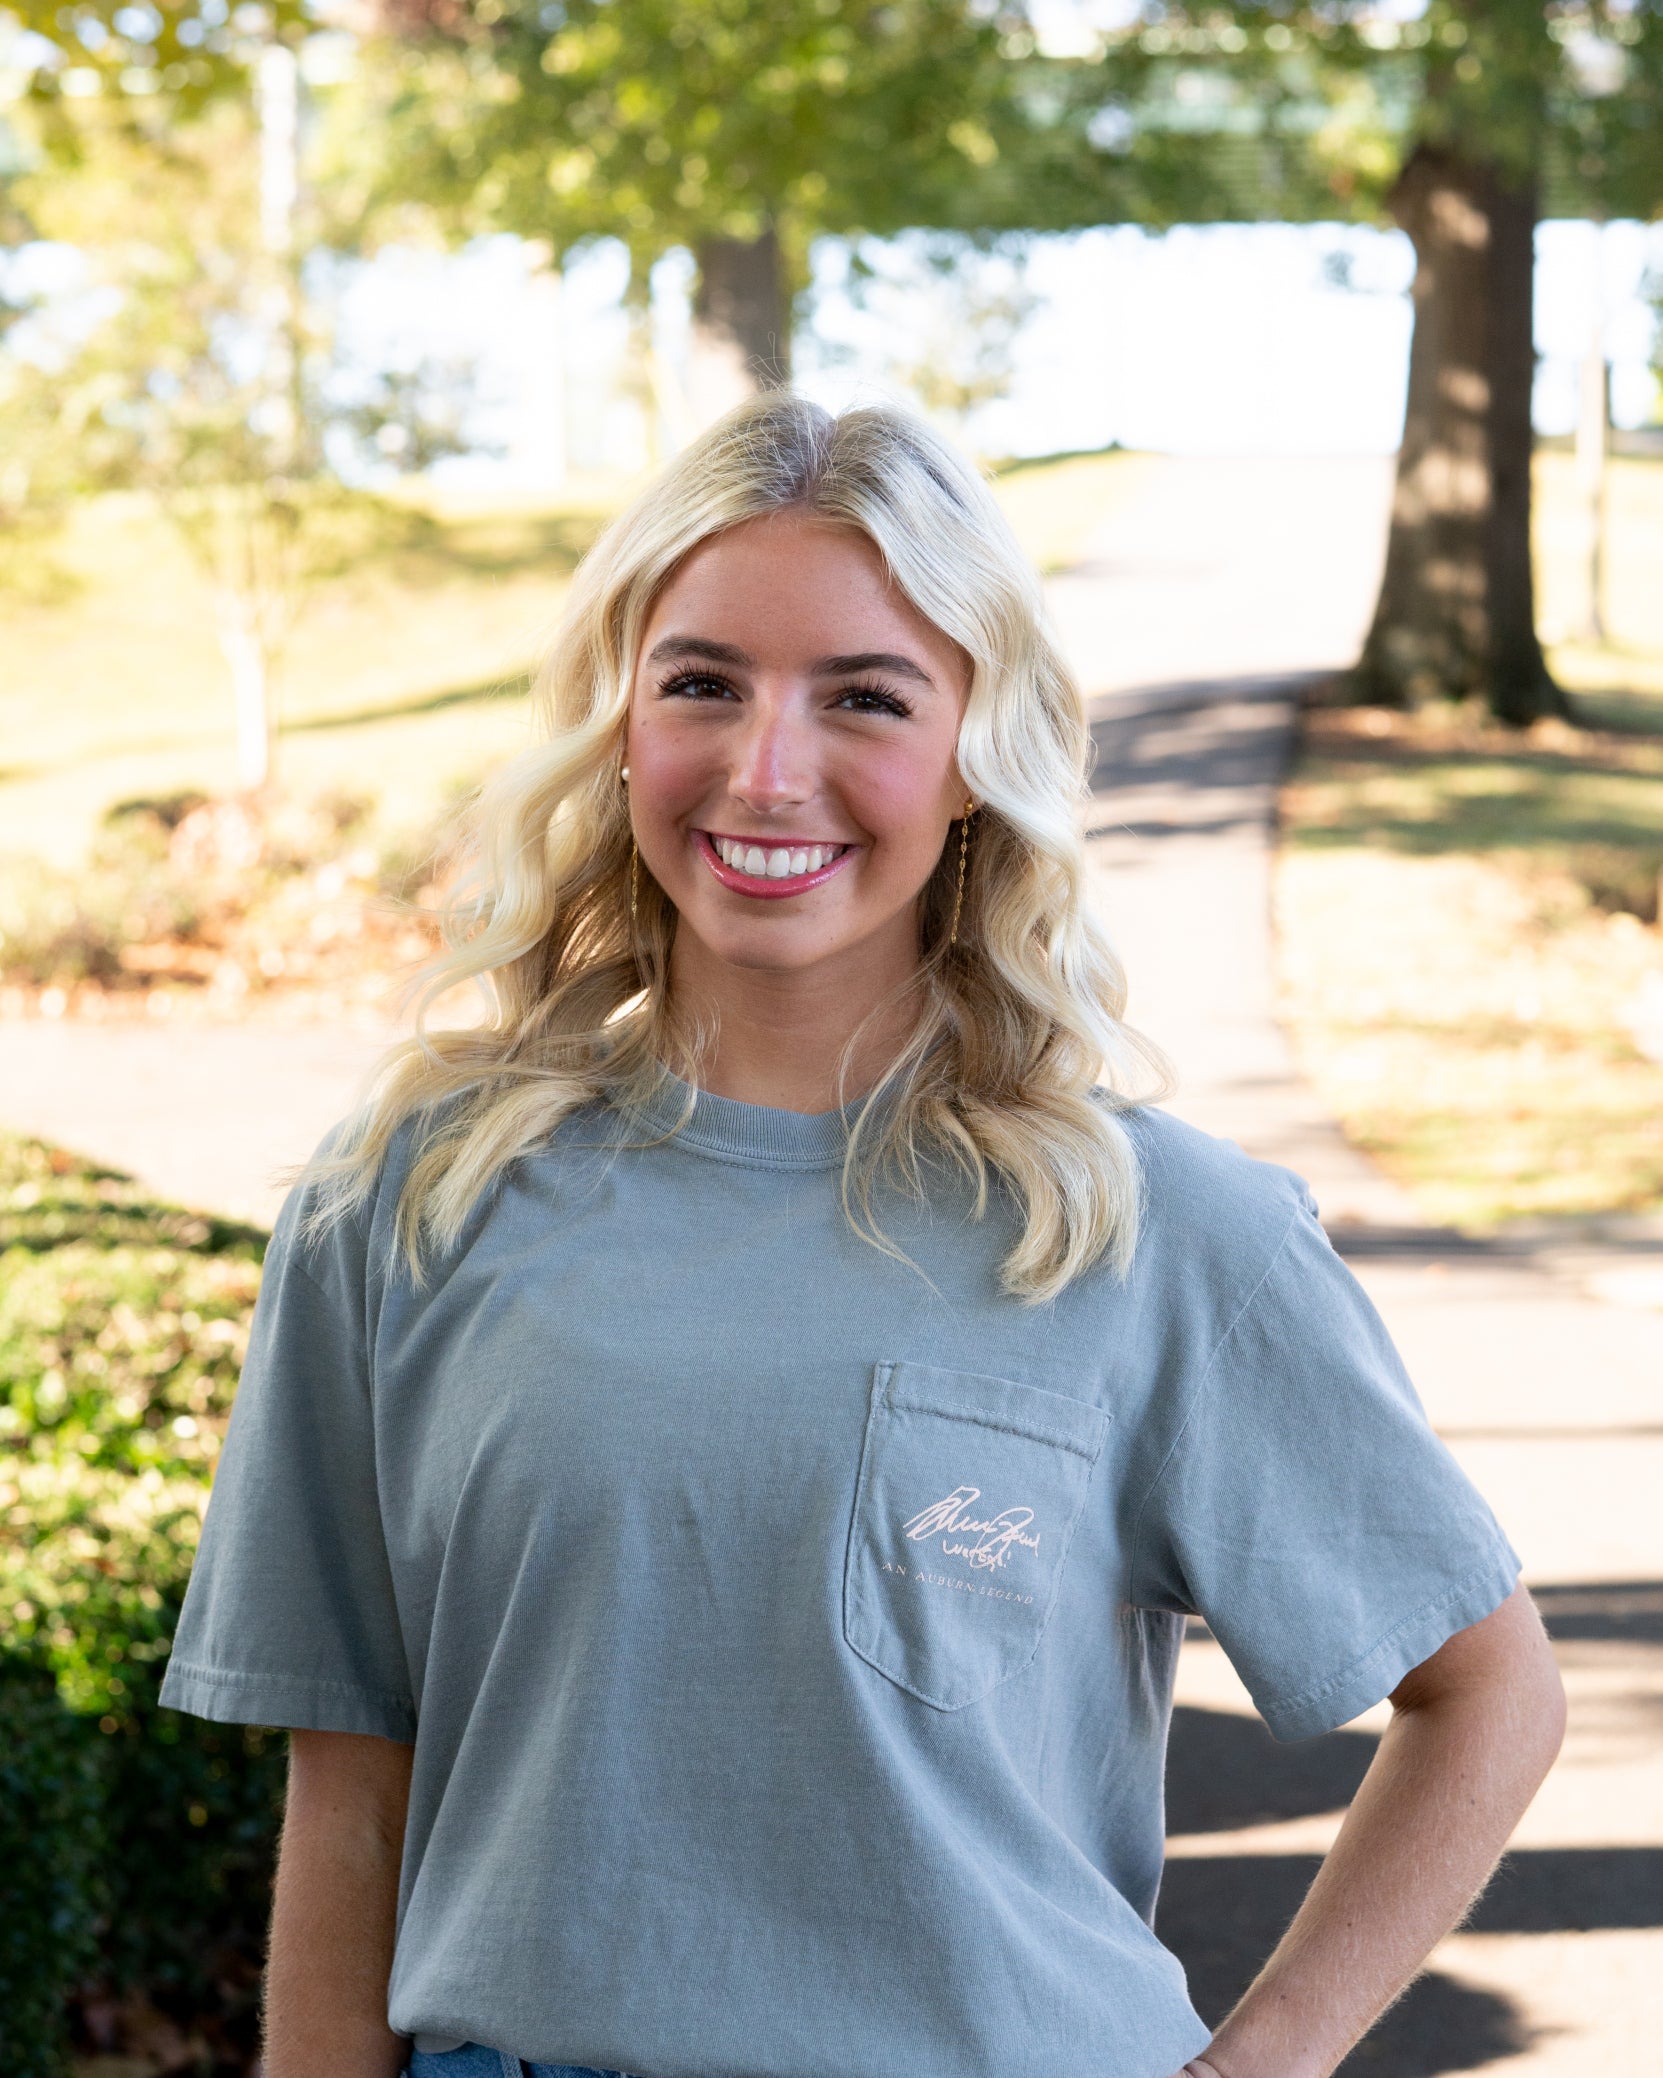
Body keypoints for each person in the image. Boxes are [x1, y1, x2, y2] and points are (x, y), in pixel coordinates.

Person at [158, 392, 1565, 2078]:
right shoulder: (412, 1197)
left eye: (866, 697)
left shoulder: (1160, 1235)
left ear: (977, 757)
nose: (767, 769)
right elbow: (353, 1783)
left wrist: (1259, 2061)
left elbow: (1488, 1690)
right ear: (618, 723)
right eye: (701, 682)